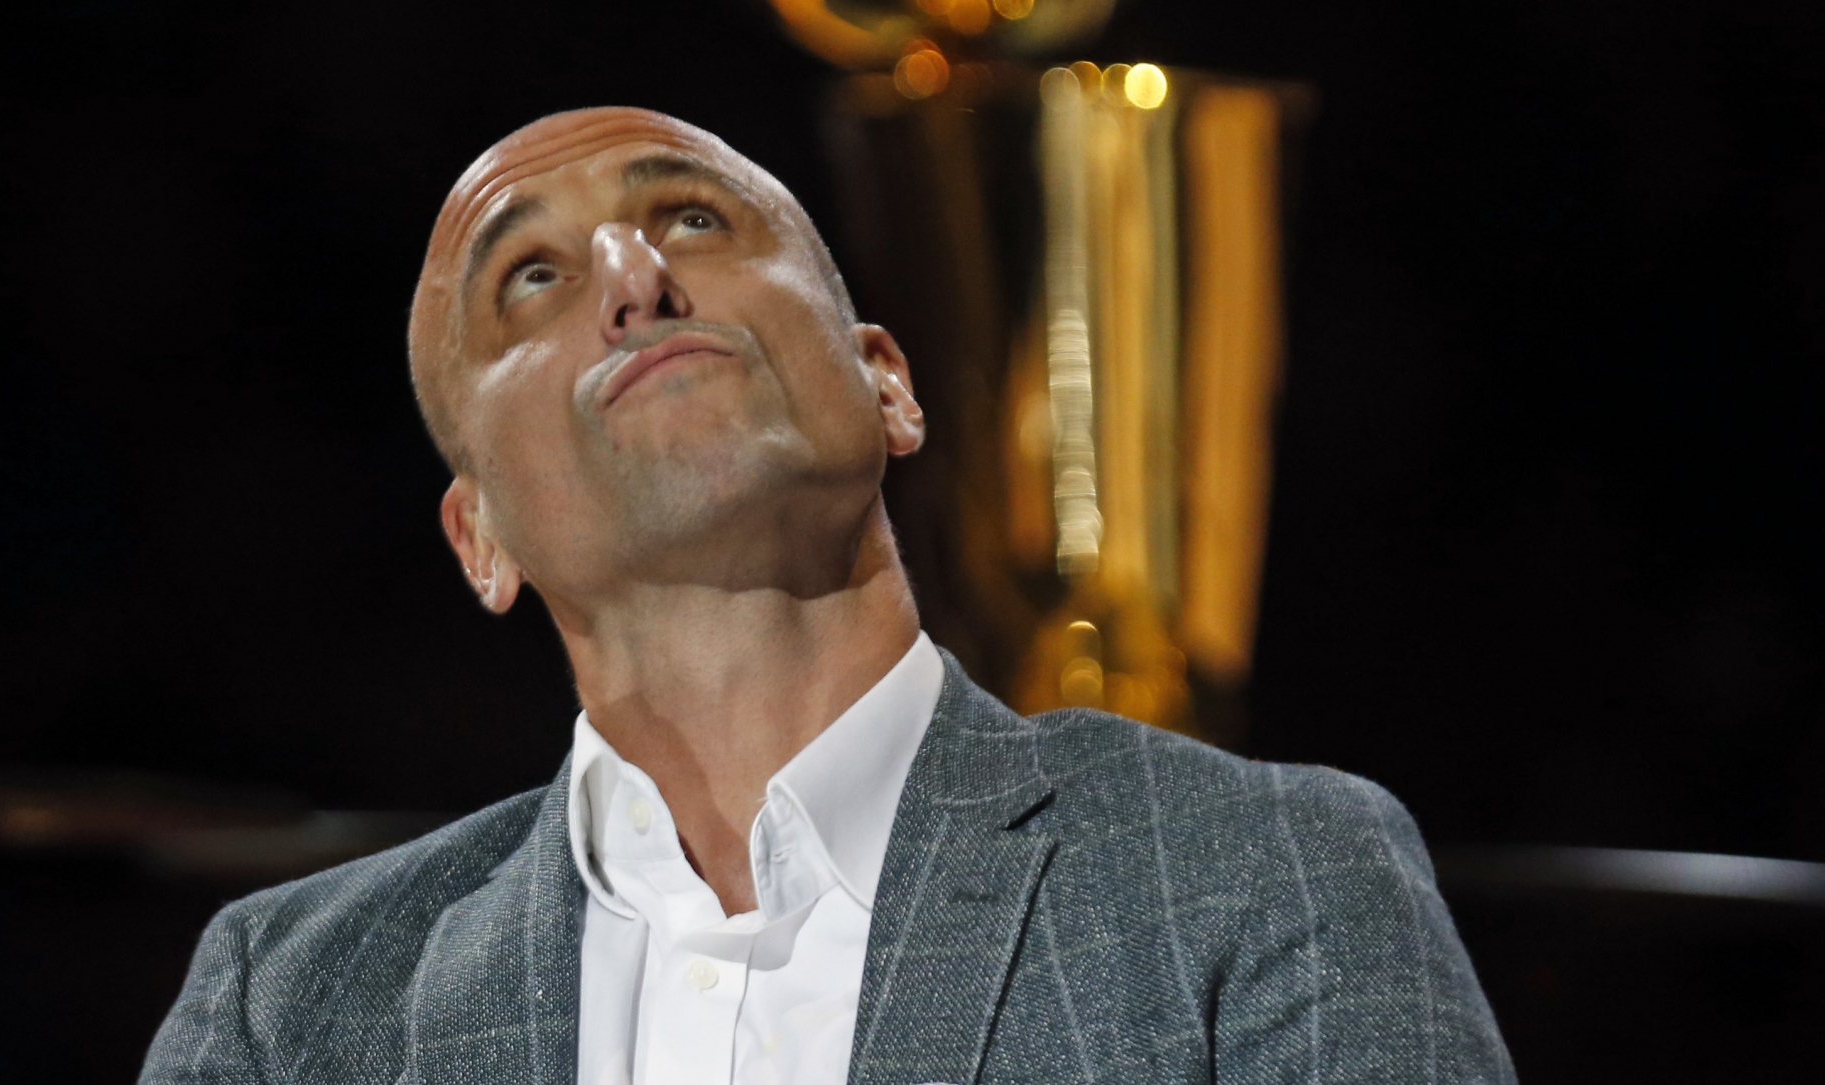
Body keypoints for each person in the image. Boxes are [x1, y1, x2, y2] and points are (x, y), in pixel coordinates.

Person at [143, 106, 1510, 1084]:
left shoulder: (1262, 866)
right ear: (479, 536)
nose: (635, 280)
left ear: (887, 384)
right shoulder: (291, 1003)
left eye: (690, 219)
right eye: (533, 276)